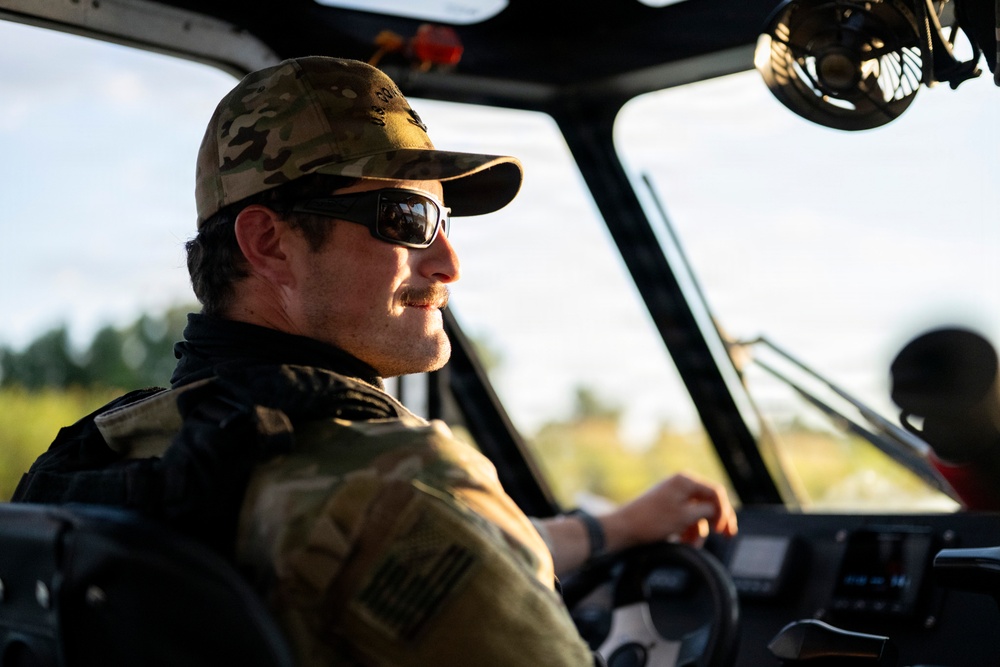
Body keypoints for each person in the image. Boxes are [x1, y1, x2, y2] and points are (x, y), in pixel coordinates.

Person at [13, 56, 736, 665]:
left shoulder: (106, 456)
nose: (450, 262)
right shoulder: (397, 485)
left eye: (443, 220)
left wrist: (612, 529)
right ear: (269, 244)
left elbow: (434, 551)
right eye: (408, 220)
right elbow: (409, 534)